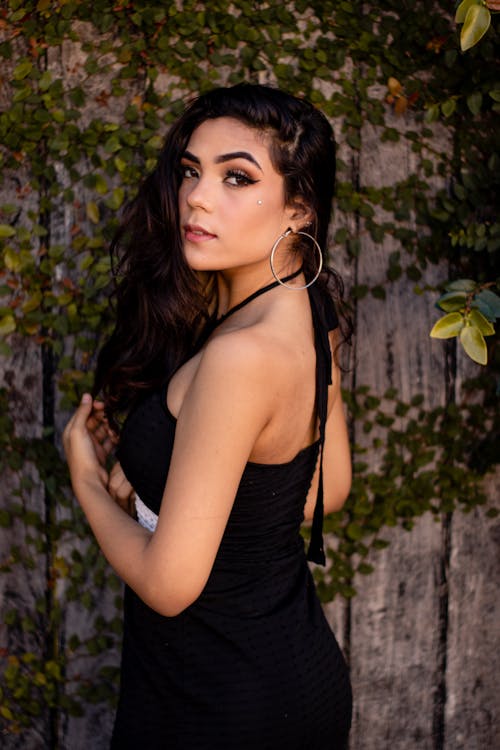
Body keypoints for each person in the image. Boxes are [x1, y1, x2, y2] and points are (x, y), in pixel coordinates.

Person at [63, 83, 353, 749]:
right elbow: (324, 489)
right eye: (191, 170)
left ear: (298, 209)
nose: (197, 195)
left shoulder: (240, 357)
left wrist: (84, 475)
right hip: (284, 674)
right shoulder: (305, 307)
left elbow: (169, 587)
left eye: (237, 178)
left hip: (221, 702)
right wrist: (172, 486)